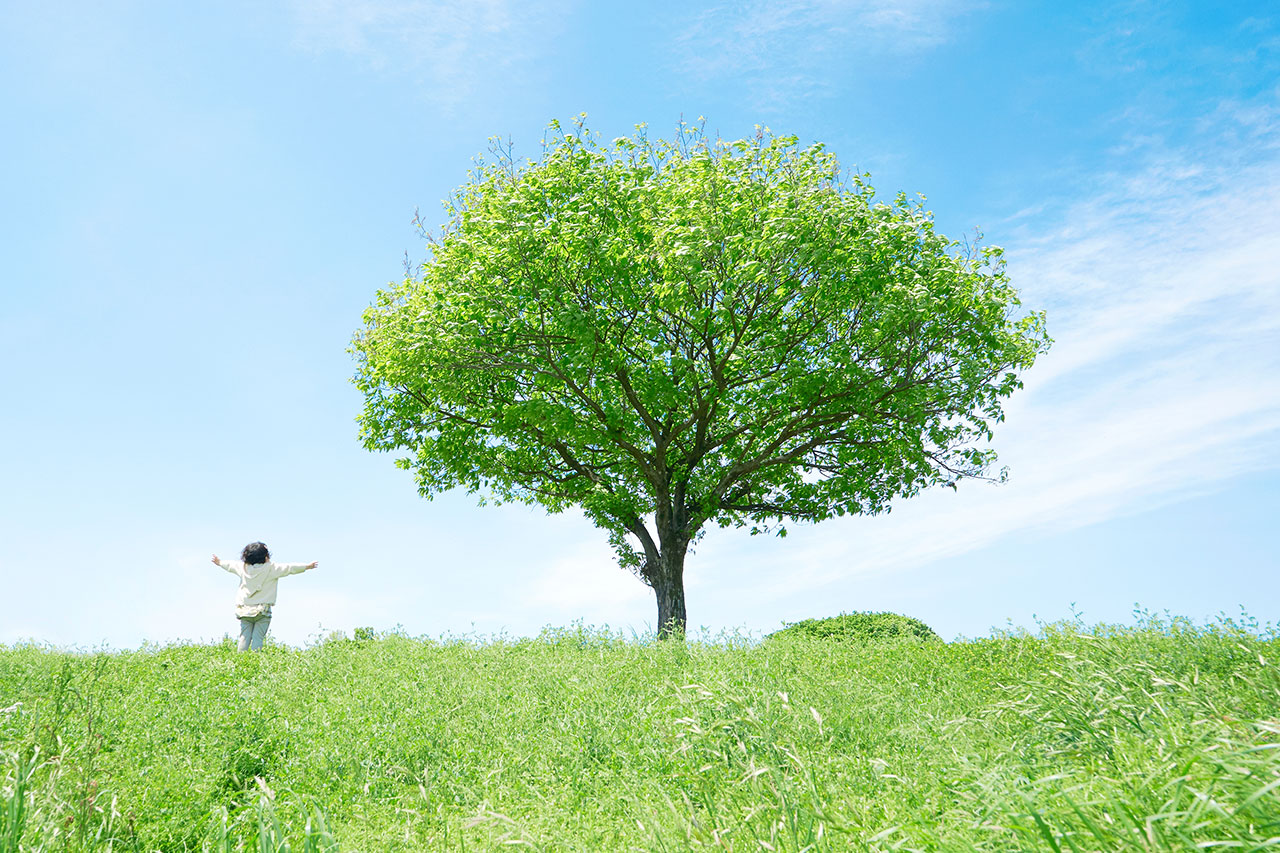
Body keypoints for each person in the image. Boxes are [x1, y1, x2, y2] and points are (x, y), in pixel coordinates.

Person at [212, 542, 317, 651]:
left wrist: (219, 562)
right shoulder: (272, 568)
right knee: (258, 637)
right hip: (262, 609)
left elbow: (230, 565)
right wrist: (307, 566)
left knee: (244, 636)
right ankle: (255, 659)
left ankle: (240, 660)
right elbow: (289, 568)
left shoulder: (243, 568)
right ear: (266, 557)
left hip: (245, 608)